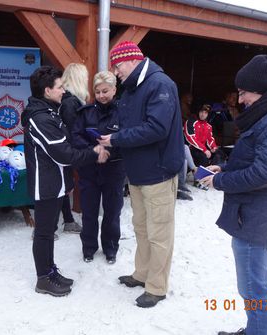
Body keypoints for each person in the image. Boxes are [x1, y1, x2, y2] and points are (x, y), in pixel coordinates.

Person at [201, 54, 267, 335]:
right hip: (258, 215)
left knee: (254, 287)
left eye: (243, 92)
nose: (240, 99)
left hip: (260, 219)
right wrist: (226, 166)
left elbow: (264, 175)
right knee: (252, 285)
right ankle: (254, 329)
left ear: (260, 89)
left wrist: (220, 180)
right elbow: (259, 159)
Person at [98, 41, 184, 308]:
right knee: (142, 228)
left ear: (132, 60)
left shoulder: (160, 85)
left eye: (118, 65)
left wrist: (116, 139)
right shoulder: (133, 88)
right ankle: (142, 273)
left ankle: (157, 287)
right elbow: (128, 124)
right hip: (137, 172)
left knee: (159, 232)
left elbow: (156, 128)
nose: (116, 72)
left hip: (158, 172)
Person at [21, 65, 109, 297]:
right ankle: (43, 279)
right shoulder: (40, 118)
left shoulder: (50, 112)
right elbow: (64, 153)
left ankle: (50, 270)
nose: (63, 91)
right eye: (60, 87)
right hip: (46, 183)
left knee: (48, 231)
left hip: (55, 181)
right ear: (47, 91)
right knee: (44, 232)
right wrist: (94, 152)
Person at [72, 70, 125, 264]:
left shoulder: (123, 112)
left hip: (114, 170)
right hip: (89, 170)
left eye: (105, 91)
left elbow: (130, 138)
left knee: (112, 212)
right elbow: (76, 136)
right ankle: (88, 247)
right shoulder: (85, 112)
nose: (102, 95)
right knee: (89, 211)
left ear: (114, 89)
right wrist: (94, 150)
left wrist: (111, 149)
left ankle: (111, 248)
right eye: (98, 92)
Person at [59, 63, 90, 234]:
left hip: (63, 151)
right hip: (67, 151)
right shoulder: (71, 102)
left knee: (63, 184)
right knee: (64, 185)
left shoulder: (66, 99)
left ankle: (68, 220)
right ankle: (64, 222)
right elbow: (73, 131)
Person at [184, 103, 224, 168]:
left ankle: (214, 172)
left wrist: (213, 147)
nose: (203, 114)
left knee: (220, 153)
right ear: (198, 112)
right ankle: (202, 176)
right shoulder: (190, 122)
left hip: (204, 149)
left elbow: (210, 139)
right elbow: (190, 138)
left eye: (205, 113)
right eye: (201, 112)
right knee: (203, 157)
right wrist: (204, 150)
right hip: (192, 149)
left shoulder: (208, 126)